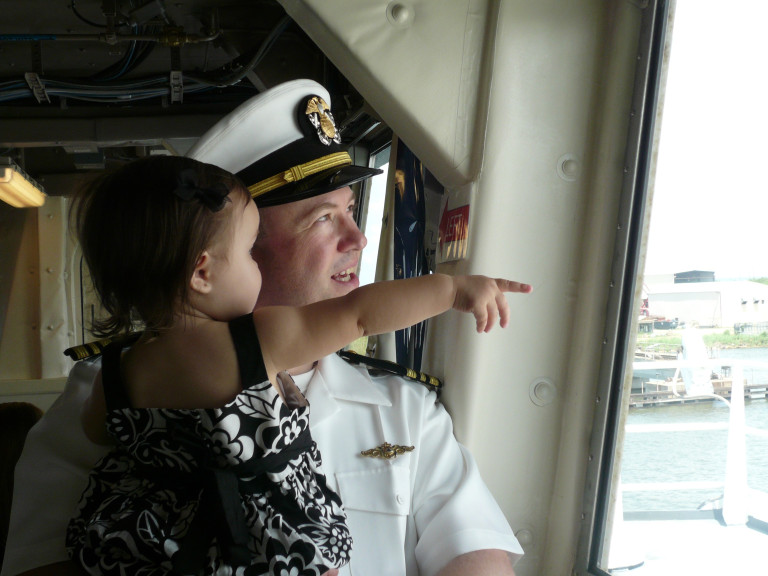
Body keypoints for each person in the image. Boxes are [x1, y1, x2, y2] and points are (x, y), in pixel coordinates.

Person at [2, 79, 527, 576]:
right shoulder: (86, 389)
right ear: (217, 259)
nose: (358, 239)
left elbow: (475, 552)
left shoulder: (407, 409)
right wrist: (455, 289)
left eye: (350, 211)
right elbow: (41, 560)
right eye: (322, 217)